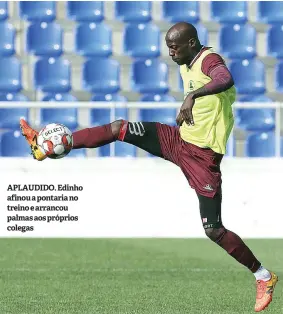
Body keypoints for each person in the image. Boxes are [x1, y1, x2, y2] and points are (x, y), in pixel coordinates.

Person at [20, 22, 278, 312]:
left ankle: (263, 276)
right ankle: (56, 145)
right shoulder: (186, 63)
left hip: (203, 159)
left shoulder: (208, 60)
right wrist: (189, 112)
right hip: (178, 141)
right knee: (121, 128)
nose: (170, 52)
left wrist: (192, 96)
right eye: (168, 46)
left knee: (213, 230)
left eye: (174, 46)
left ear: (191, 43)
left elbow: (225, 78)